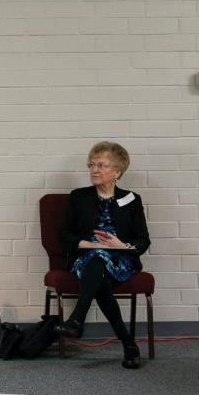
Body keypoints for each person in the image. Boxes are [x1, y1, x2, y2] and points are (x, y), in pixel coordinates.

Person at [55, 141, 150, 369]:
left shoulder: (132, 199)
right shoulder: (79, 197)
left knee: (100, 267)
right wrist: (85, 243)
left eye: (101, 165)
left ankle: (77, 320)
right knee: (97, 260)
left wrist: (122, 245)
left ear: (117, 171)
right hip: (86, 257)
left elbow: (144, 239)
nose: (94, 170)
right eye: (91, 165)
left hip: (121, 259)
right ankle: (129, 345)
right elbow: (63, 233)